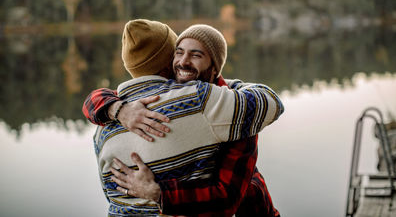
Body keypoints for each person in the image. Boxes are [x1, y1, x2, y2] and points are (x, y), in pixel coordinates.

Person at [86, 20, 283, 216]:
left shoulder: (103, 127)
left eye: (196, 55)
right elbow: (270, 101)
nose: (183, 61)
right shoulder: (202, 99)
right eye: (178, 52)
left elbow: (109, 194)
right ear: (168, 59)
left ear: (214, 67)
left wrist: (159, 193)